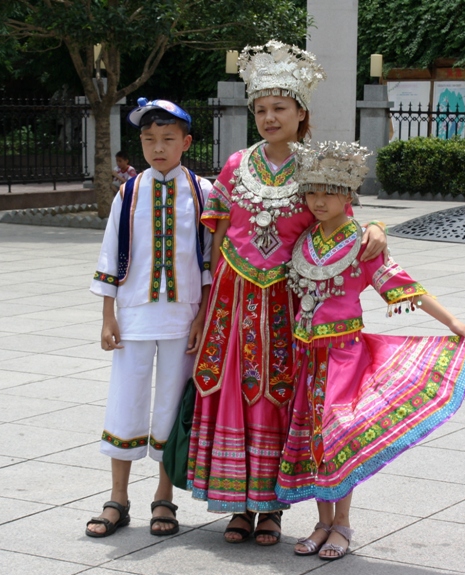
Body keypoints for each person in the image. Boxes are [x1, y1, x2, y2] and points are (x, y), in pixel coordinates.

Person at [186, 40, 388, 545]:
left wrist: (378, 227)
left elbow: (342, 218)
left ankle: (273, 508)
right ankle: (235, 505)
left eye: (280, 108)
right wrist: (206, 300)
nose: (269, 117)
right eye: (261, 109)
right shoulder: (235, 164)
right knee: (231, 390)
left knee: (281, 399)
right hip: (232, 300)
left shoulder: (316, 165)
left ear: (302, 112)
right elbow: (216, 232)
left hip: (290, 302)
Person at [275, 141, 465, 560]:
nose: (319, 201)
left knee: (341, 434)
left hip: (345, 355)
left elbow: (401, 285)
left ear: (348, 196)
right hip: (307, 357)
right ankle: (321, 520)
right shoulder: (303, 240)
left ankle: (343, 524)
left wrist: (450, 321)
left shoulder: (362, 244)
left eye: (329, 192)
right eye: (312, 192)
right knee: (314, 437)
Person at [86, 98, 213, 539]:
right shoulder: (130, 191)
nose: (158, 148)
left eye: (168, 139)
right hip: (135, 314)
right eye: (148, 139)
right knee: (126, 398)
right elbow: (110, 253)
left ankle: (165, 498)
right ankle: (117, 498)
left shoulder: (203, 191)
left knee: (170, 408)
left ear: (186, 142)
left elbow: (211, 258)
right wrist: (108, 316)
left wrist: (204, 318)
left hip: (185, 316)